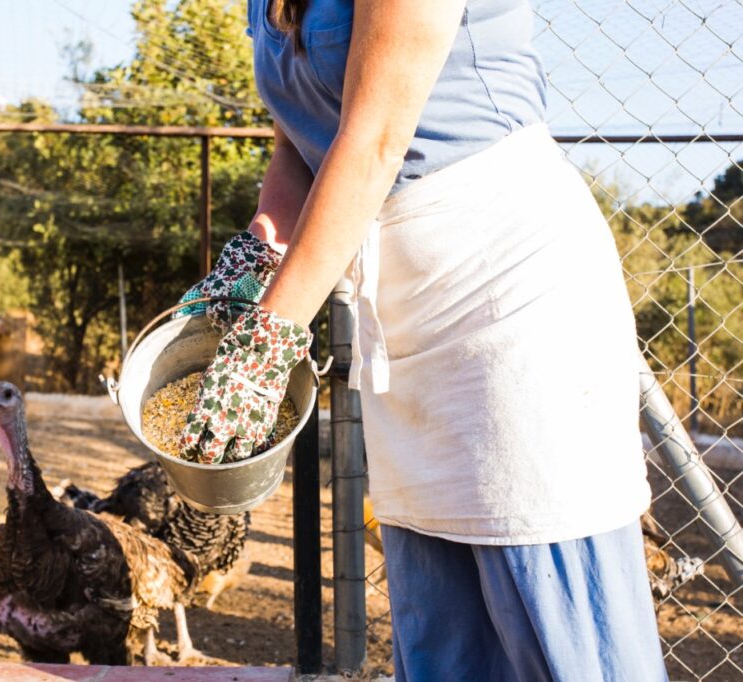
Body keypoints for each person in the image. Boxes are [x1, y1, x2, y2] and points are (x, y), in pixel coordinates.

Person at [177, 0, 667, 680]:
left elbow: (376, 137)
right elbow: (300, 140)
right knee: (444, 634)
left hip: (507, 293)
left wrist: (269, 337)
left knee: (553, 613)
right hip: (404, 317)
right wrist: (260, 255)